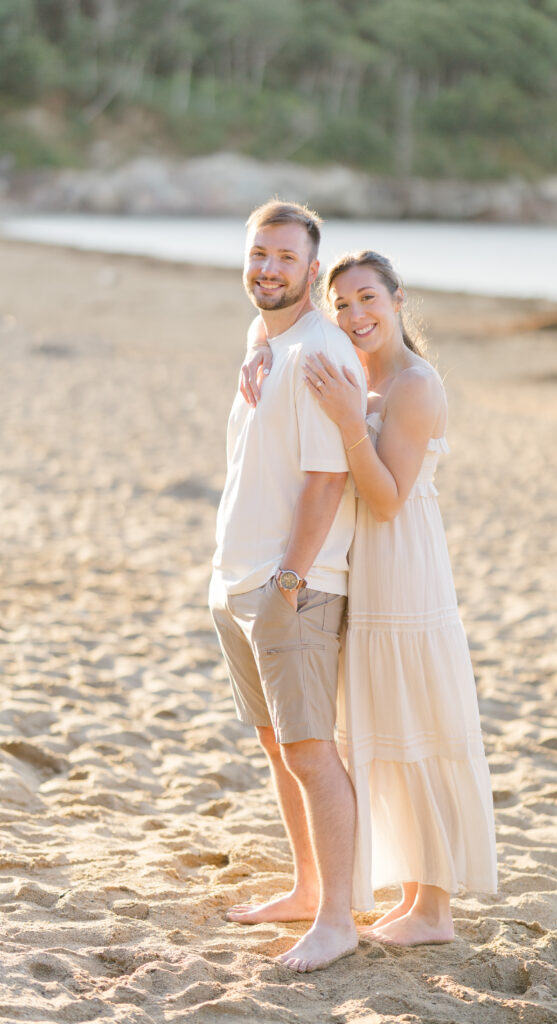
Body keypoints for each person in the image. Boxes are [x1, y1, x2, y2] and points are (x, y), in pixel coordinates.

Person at [241, 249, 497, 946]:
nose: (354, 315)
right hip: (359, 570)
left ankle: (434, 909)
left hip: (403, 568)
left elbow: (385, 500)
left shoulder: (414, 384)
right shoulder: (355, 373)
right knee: (380, 730)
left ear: (397, 300)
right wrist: (259, 356)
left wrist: (352, 423)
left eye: (367, 300)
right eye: (341, 303)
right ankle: (413, 896)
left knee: (417, 727)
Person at [209, 200, 366, 972]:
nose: (268, 268)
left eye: (285, 258)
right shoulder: (263, 339)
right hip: (238, 579)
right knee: (278, 748)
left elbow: (327, 479)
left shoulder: (318, 350)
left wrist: (288, 580)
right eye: (258, 254)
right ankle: (307, 889)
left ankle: (336, 919)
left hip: (291, 586)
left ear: (312, 270)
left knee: (310, 751)